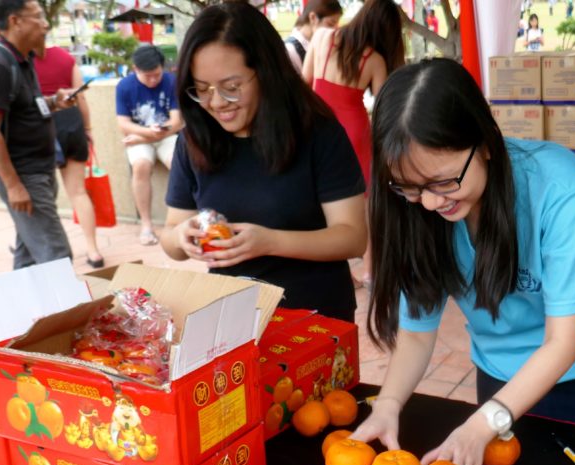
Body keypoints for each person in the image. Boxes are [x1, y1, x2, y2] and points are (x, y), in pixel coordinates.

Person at [350, 59, 575, 465]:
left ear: (485, 142)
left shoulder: (562, 190)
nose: (432, 203)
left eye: (444, 181)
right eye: (411, 187)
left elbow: (563, 342)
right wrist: (389, 404)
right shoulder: (416, 212)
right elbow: (416, 330)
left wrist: (481, 424)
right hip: (504, 373)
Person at [161, 1, 366, 322]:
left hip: (313, 316)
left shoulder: (318, 134)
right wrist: (181, 236)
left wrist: (270, 242)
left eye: (231, 88)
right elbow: (171, 237)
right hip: (230, 316)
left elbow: (353, 237)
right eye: (201, 89)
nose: (215, 102)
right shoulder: (193, 141)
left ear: (267, 72)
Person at [303, 0, 404, 287]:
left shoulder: (322, 36)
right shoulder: (374, 60)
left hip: (317, 123)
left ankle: (340, 270)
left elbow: (304, 80)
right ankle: (371, 270)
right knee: (364, 200)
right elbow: (386, 105)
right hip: (354, 129)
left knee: (319, 198)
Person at [0, 0, 75, 270]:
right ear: (15, 21)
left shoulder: (22, 59)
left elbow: (25, 108)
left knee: (29, 254)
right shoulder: (0, 64)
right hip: (23, 174)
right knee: (56, 257)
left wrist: (55, 102)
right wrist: (13, 185)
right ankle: (67, 311)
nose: (46, 24)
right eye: (38, 17)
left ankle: (21, 311)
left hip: (38, 170)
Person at [34, 43, 103, 268]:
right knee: (78, 192)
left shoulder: (20, 59)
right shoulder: (64, 57)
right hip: (70, 122)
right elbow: (80, 96)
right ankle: (93, 251)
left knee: (42, 198)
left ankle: (51, 256)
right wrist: (88, 129)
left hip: (38, 125)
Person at [115, 44, 182, 246]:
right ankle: (146, 225)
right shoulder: (124, 86)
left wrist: (143, 138)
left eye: (157, 75)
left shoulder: (171, 82)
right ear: (135, 69)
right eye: (147, 76)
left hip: (164, 135)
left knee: (179, 164)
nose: (153, 80)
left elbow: (176, 122)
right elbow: (123, 124)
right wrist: (147, 135)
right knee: (141, 166)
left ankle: (180, 220)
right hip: (140, 134)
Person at [284, 0, 342, 73]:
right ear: (313, 18)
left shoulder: (322, 44)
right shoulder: (291, 50)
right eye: (330, 24)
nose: (334, 30)